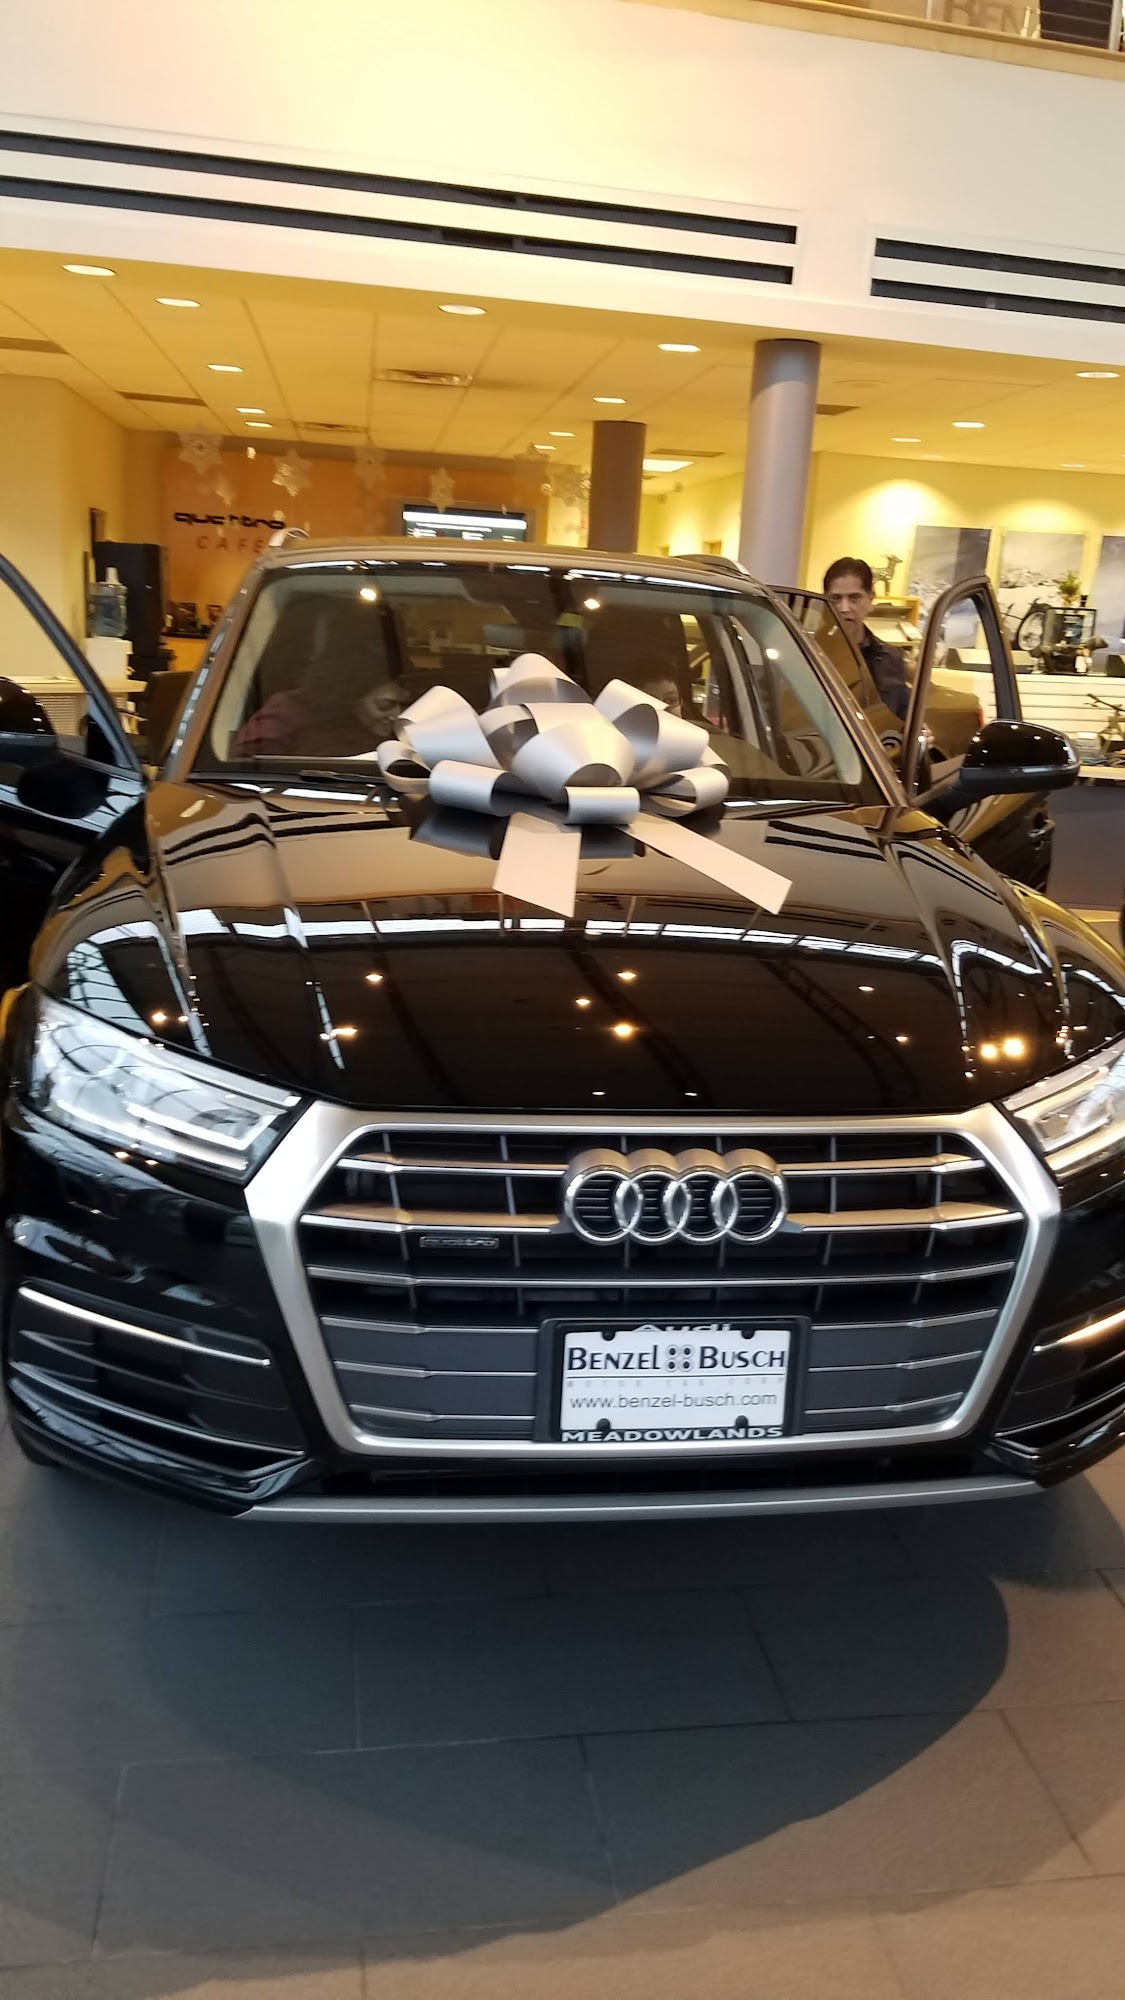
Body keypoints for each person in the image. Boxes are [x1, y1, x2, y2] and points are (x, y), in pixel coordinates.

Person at [823, 557, 909, 721]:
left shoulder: (893, 659)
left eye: (854, 598)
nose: (844, 608)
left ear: (871, 599)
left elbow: (904, 717)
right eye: (835, 599)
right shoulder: (808, 654)